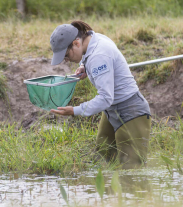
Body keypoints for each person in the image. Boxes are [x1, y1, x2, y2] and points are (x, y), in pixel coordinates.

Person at [49, 20, 151, 169]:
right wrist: (84, 66)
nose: (66, 60)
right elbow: (90, 57)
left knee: (131, 171)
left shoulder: (99, 55)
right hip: (112, 111)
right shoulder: (93, 40)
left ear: (76, 43)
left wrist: (74, 111)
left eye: (66, 55)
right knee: (102, 161)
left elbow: (105, 98)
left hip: (131, 111)